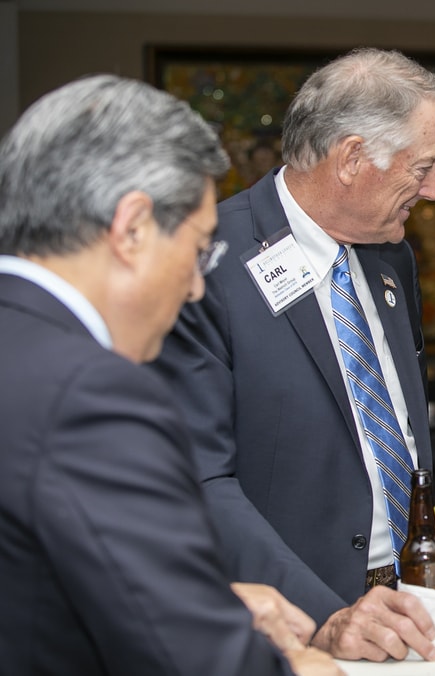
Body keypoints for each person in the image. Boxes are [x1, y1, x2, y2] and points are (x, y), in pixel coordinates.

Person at [0, 74, 341, 675]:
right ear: (132, 229)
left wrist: (216, 602)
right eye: (199, 249)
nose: (195, 287)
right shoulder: (91, 394)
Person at [149, 47, 435, 661]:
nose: (434, 190)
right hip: (292, 624)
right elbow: (201, 478)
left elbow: (391, 420)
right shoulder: (208, 261)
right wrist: (323, 614)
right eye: (422, 167)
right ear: (350, 159)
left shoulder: (391, 255)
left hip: (413, 609)